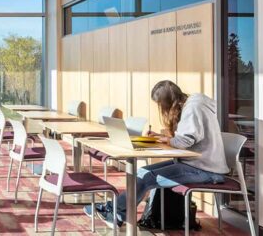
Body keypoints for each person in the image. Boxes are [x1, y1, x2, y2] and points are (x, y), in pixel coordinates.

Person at [87, 80, 229, 227]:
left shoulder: (193, 107)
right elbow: (188, 138)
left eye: (160, 105)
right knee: (142, 172)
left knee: (146, 178)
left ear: (168, 102)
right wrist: (161, 138)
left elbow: (184, 141)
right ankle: (117, 213)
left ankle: (114, 210)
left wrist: (168, 140)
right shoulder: (191, 104)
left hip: (206, 170)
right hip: (194, 163)